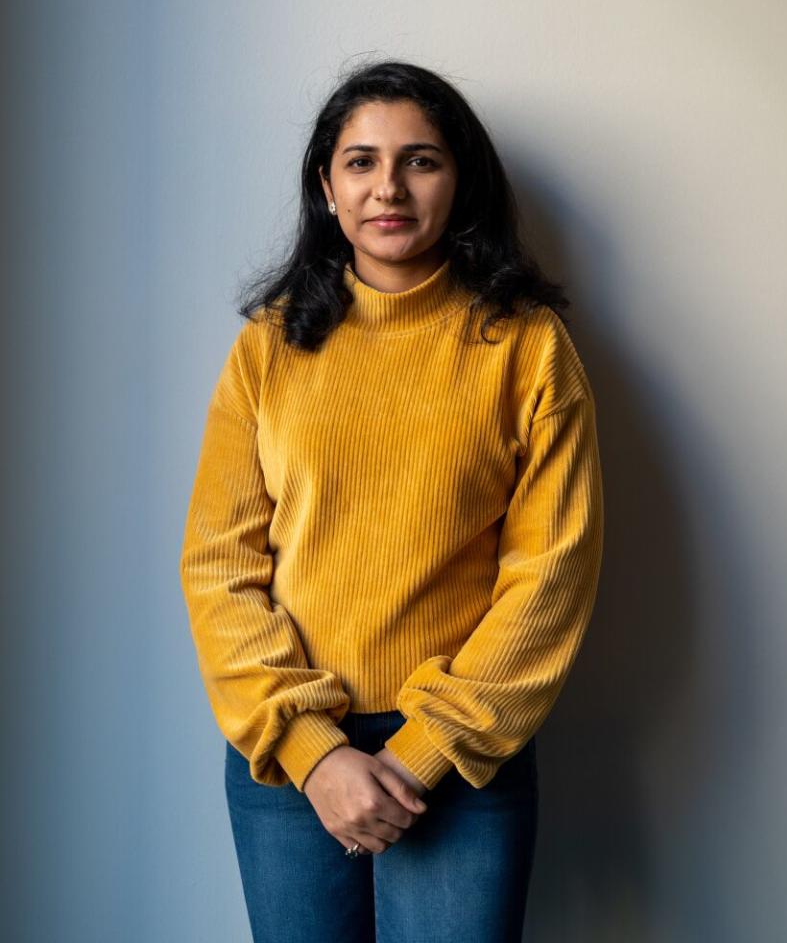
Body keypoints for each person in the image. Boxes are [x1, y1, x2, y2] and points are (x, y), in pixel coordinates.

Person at [179, 59, 605, 943]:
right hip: (289, 759)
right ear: (327, 189)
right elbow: (220, 566)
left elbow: (551, 576)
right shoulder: (269, 347)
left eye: (421, 160)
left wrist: (418, 753)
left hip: (462, 757)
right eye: (361, 161)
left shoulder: (525, 347)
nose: (390, 188)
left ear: (462, 184)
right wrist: (316, 752)